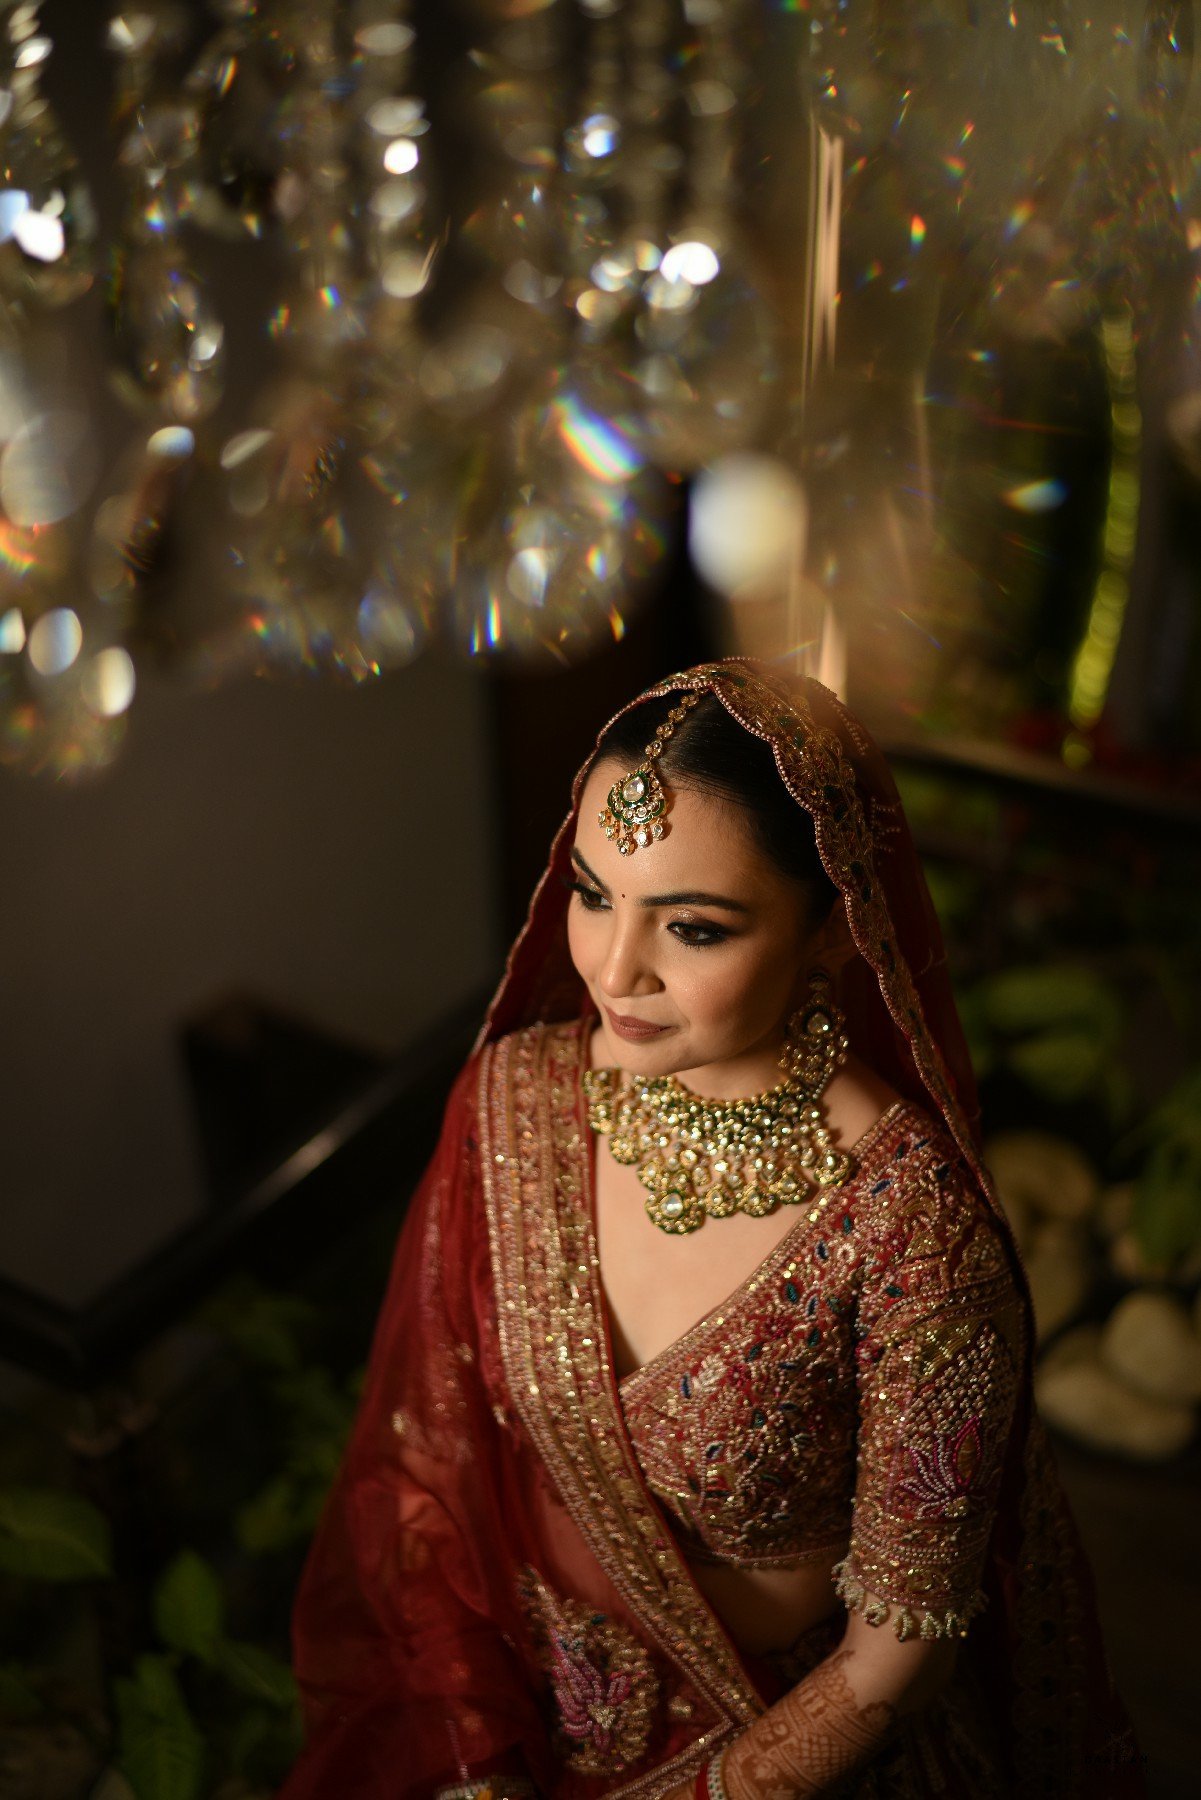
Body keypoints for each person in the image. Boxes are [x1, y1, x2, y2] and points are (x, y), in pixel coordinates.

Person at [278, 661, 1142, 1799]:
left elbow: (905, 1652)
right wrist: (471, 1750)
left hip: (787, 1754)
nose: (614, 969)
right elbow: (425, 1468)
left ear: (834, 926)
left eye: (691, 926)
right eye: (592, 895)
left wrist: (711, 1792)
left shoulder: (909, 1229)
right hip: (511, 1723)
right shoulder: (513, 1103)